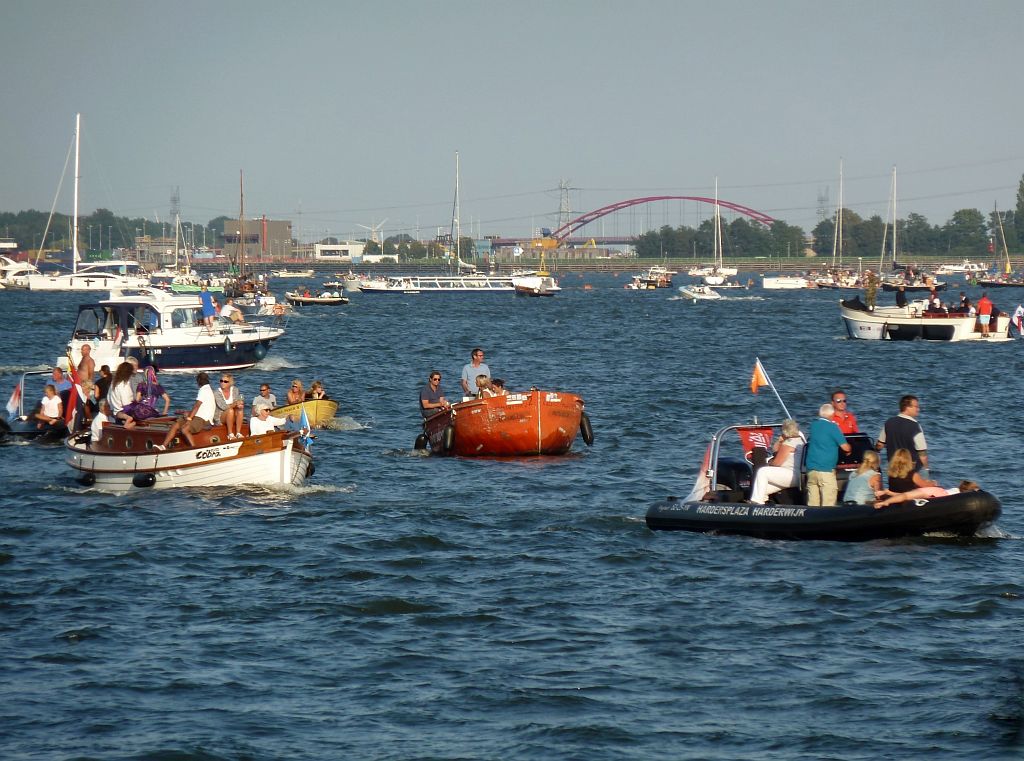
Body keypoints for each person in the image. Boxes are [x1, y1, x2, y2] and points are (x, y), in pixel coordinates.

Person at [805, 403, 852, 507]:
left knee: (813, 503)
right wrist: (849, 450)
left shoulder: (814, 425)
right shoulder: (833, 427)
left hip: (811, 469)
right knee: (828, 503)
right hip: (825, 469)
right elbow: (845, 447)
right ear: (832, 414)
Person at [749, 419, 803, 505]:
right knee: (762, 489)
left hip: (790, 475)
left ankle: (756, 503)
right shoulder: (801, 441)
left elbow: (777, 463)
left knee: (762, 471)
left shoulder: (789, 443)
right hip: (798, 476)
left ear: (784, 432)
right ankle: (762, 505)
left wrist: (769, 463)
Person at [155, 372, 215, 450]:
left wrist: (189, 419)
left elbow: (196, 406)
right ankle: (163, 446)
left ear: (198, 381)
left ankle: (194, 449)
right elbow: (200, 408)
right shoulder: (207, 389)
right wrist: (188, 413)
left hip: (203, 419)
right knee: (175, 425)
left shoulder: (204, 390)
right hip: (197, 416)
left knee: (184, 429)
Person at [876, 394, 928, 474]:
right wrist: (926, 471)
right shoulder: (915, 426)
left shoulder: (889, 422)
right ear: (907, 407)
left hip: (893, 469)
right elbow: (922, 454)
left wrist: (875, 452)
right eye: (916, 407)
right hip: (911, 470)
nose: (918, 409)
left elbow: (880, 445)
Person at [875, 479, 980, 509]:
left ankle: (888, 493)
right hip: (936, 494)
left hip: (937, 495)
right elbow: (906, 496)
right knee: (908, 496)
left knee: (909, 496)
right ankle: (887, 498)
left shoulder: (957, 493)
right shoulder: (942, 492)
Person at [106, 362, 138, 429]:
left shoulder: (113, 383)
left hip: (116, 413)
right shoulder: (124, 385)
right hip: (125, 413)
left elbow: (108, 398)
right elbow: (126, 403)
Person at [213, 373, 245, 439]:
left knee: (240, 410)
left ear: (230, 383)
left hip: (233, 415)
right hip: (221, 416)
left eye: (225, 381)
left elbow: (238, 400)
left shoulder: (235, 390)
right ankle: (230, 434)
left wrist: (239, 404)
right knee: (230, 411)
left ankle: (238, 433)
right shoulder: (216, 392)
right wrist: (235, 404)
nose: (222, 383)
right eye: (221, 381)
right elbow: (223, 406)